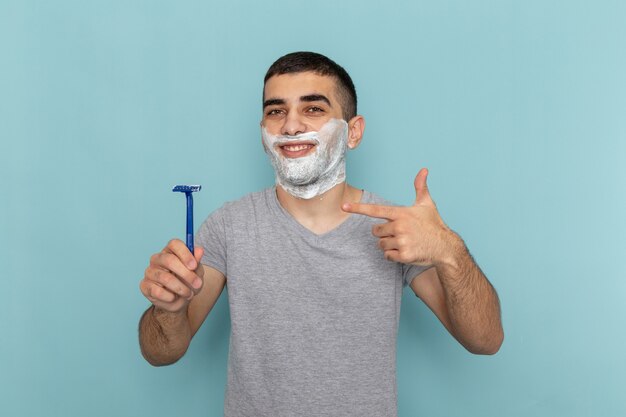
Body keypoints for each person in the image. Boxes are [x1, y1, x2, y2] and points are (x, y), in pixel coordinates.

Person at [138, 51, 503, 417]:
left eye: (313, 109)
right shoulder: (229, 225)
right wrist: (168, 309)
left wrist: (449, 250)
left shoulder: (394, 229)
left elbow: (485, 340)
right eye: (275, 111)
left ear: (354, 132)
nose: (291, 126)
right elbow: (161, 353)